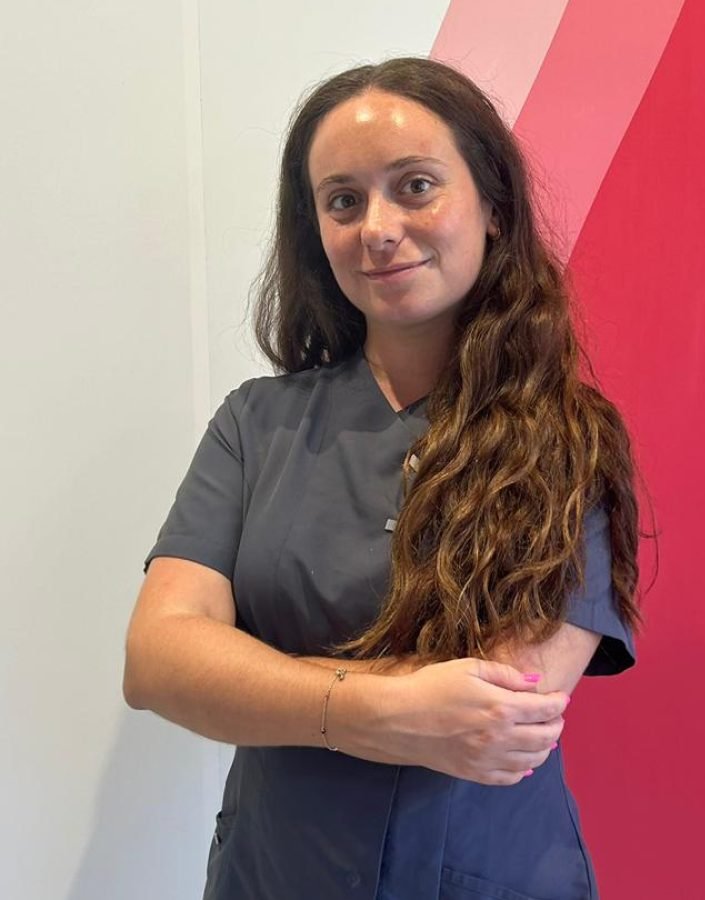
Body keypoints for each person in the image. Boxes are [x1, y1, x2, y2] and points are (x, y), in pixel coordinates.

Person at [123, 56, 642, 900]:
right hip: (275, 873)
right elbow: (158, 659)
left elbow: (496, 718)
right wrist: (378, 706)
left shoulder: (570, 441)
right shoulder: (255, 425)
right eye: (343, 200)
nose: (377, 226)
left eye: (415, 186)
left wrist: (264, 679)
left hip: (483, 875)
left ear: (495, 210)